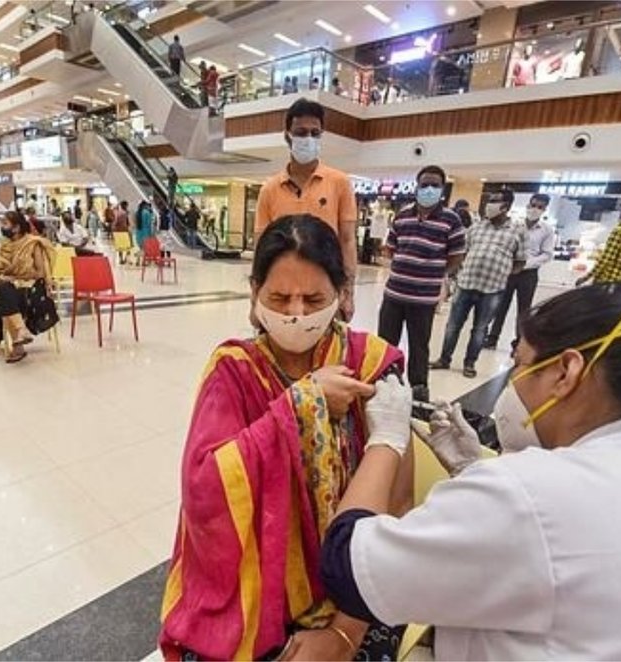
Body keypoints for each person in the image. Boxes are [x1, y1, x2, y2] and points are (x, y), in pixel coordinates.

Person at [319, 267, 621, 660]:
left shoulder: (528, 495)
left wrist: (387, 437)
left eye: (520, 364)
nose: (513, 383)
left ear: (566, 372)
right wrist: (473, 470)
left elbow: (347, 567)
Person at [159, 215, 413, 661]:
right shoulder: (233, 370)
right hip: (249, 583)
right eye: (279, 298)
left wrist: (345, 633)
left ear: (342, 294)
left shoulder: (372, 365)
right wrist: (301, 406)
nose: (297, 313)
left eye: (314, 299)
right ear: (254, 293)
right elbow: (204, 488)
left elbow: (397, 505)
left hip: (355, 592)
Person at [255, 98, 358, 320]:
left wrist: (348, 293)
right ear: (287, 136)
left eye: (315, 133)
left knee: (329, 343)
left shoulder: (339, 183)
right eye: (301, 132)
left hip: (324, 292)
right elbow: (260, 249)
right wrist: (255, 300)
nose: (308, 138)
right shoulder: (269, 189)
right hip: (281, 294)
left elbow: (348, 241)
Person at [378, 165, 465, 403]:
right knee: (385, 343)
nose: (429, 189)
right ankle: (384, 382)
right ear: (417, 186)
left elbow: (457, 255)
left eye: (434, 185)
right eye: (424, 184)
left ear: (442, 189)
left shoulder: (451, 220)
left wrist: (437, 273)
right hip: (394, 294)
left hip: (423, 298)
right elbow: (391, 247)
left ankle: (418, 391)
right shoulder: (403, 215)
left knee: (419, 345)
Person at [432, 188, 525, 378]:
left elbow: (520, 261)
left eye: (495, 201)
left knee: (480, 329)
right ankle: (444, 359)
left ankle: (470, 363)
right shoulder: (476, 227)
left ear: (506, 206)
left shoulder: (517, 231)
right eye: (490, 200)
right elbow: (462, 252)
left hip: (492, 289)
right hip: (466, 283)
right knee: (453, 325)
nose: (490, 205)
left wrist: (504, 274)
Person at [484, 192, 555, 352]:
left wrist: (527, 264)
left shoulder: (547, 230)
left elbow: (547, 254)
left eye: (540, 207)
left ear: (544, 210)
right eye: (533, 205)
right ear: (528, 205)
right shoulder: (515, 224)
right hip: (510, 270)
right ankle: (492, 338)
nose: (535, 209)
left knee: (524, 309)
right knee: (501, 305)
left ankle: (518, 342)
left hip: (529, 274)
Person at [0, 211, 57, 363]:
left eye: (5, 224)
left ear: (16, 227)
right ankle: (21, 331)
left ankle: (19, 345)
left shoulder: (32, 243)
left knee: (4, 295)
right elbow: (1, 269)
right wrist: (8, 277)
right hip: (11, 286)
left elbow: (40, 272)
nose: (2, 227)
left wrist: (17, 277)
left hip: (33, 286)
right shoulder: (5, 247)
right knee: (3, 289)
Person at [576, 197, 621, 287]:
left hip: (606, 282)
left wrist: (585, 278)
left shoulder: (620, 231)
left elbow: (605, 259)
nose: (620, 214)